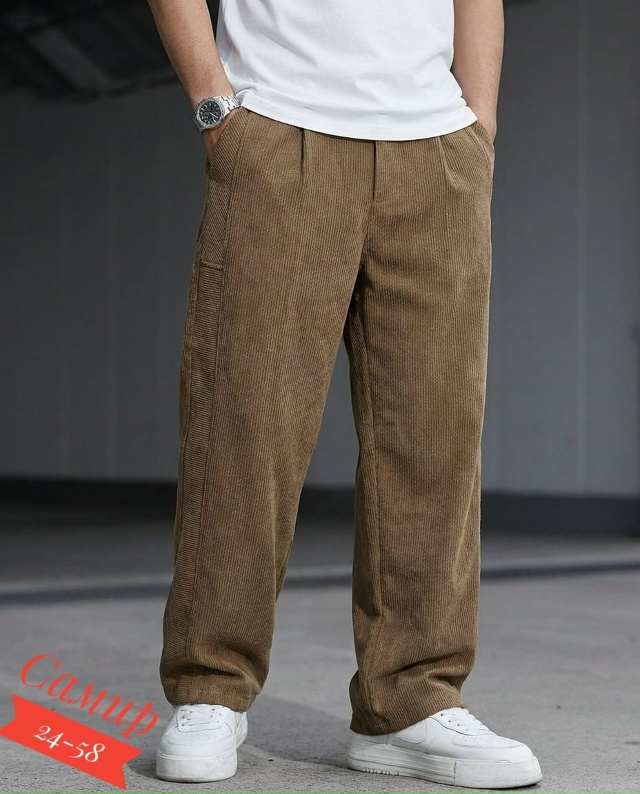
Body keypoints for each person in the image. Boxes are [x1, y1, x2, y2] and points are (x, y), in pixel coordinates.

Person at [146, 0, 542, 788]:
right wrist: (215, 105)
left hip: (436, 143)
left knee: (433, 438)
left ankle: (412, 703)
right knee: (244, 427)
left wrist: (478, 124)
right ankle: (210, 687)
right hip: (278, 127)